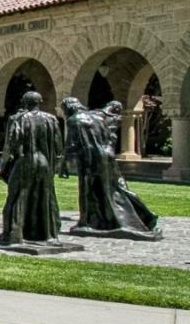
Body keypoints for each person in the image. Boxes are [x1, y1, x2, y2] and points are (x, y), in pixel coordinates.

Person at [61, 98, 159, 236]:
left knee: (87, 190)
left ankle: (86, 222)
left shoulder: (73, 120)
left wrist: (63, 164)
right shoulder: (97, 116)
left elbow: (71, 145)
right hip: (107, 155)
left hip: (90, 159)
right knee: (116, 187)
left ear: (68, 108)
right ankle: (145, 215)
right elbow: (110, 135)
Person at [0, 91, 63, 245]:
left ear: (25, 102)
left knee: (17, 196)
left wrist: (3, 168)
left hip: (25, 161)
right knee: (45, 198)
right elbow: (58, 146)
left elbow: (12, 144)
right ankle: (48, 235)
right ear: (39, 102)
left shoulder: (19, 119)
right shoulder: (51, 119)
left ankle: (14, 234)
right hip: (44, 162)